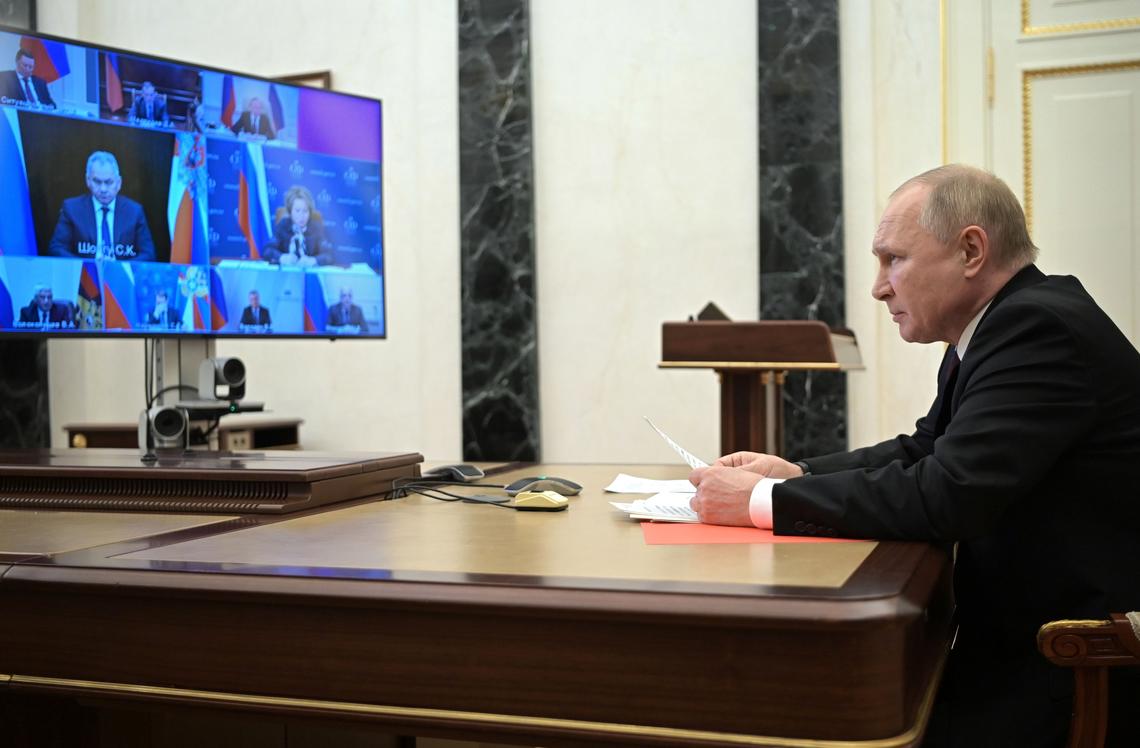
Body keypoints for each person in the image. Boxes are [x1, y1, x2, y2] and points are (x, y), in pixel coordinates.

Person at [687, 164, 1140, 747]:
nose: (879, 287)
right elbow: (926, 447)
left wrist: (758, 500)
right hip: (1019, 633)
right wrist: (797, 471)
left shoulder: (1036, 327)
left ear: (971, 249)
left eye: (893, 259)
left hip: (1070, 661)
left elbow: (950, 493)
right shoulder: (1000, 324)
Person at [47, 150, 157, 262]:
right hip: (84, 276)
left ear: (119, 183)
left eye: (109, 182)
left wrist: (120, 268)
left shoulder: (134, 212)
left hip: (122, 277)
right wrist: (88, 267)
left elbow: (148, 254)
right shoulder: (71, 209)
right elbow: (56, 248)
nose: (103, 189)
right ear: (88, 181)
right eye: (97, 182)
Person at [261, 185, 333, 267]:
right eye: (297, 211)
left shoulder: (316, 228)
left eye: (305, 211)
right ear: (290, 211)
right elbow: (267, 251)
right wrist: (282, 258)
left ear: (310, 212)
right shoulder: (283, 225)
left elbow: (329, 255)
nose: (301, 216)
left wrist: (314, 260)